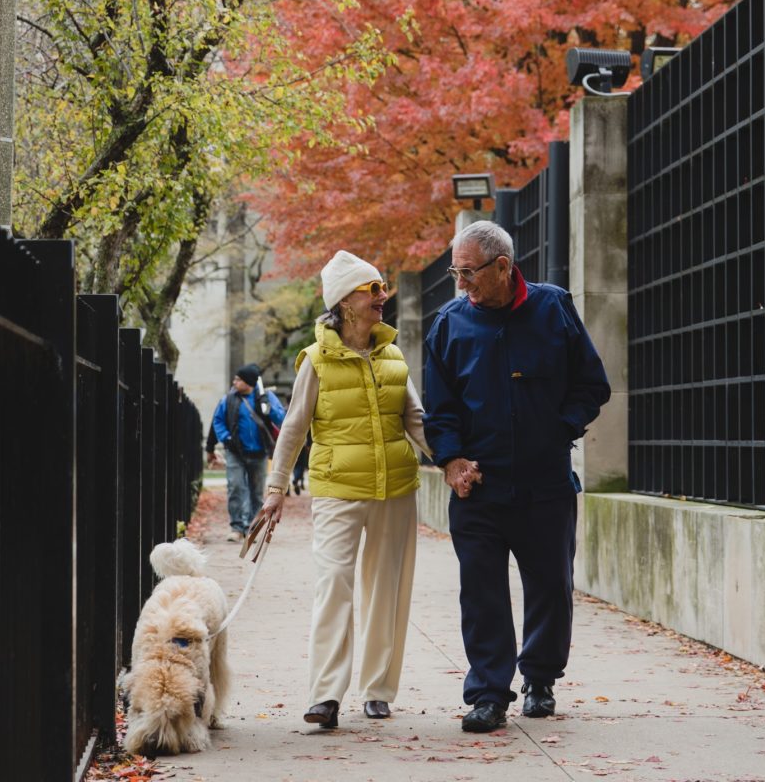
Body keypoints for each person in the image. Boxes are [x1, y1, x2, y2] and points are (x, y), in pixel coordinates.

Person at [423, 220, 611, 733]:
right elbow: (437, 411)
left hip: (545, 483)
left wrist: (558, 430)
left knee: (551, 585)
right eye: (455, 272)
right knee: (481, 592)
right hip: (478, 488)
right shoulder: (448, 324)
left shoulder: (553, 309)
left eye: (468, 273)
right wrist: (451, 461)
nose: (461, 284)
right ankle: (488, 693)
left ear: (503, 267)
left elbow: (592, 385)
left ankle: (541, 679)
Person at [256, 250, 431, 729]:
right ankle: (326, 694)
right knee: (333, 583)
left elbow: (416, 420)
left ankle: (377, 690)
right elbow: (293, 427)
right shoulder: (316, 360)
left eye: (381, 288)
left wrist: (453, 461)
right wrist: (275, 488)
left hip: (395, 487)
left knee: (386, 589)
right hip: (337, 488)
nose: (382, 297)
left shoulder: (393, 356)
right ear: (344, 303)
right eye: (371, 289)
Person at [212, 363, 286, 541]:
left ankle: (254, 527)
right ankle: (237, 527)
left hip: (259, 452)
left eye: (238, 379)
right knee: (236, 486)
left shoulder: (265, 397)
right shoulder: (228, 399)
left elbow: (281, 418)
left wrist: (267, 407)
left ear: (249, 382)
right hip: (236, 452)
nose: (234, 381)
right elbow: (218, 420)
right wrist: (226, 438)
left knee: (256, 491)